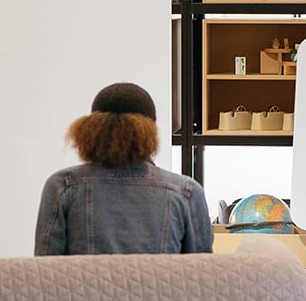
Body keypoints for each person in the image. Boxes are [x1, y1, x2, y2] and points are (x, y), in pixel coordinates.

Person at [34, 82, 213, 256]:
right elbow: (201, 277)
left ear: (91, 128)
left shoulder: (63, 186)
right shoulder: (186, 192)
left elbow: (45, 274)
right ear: (150, 130)